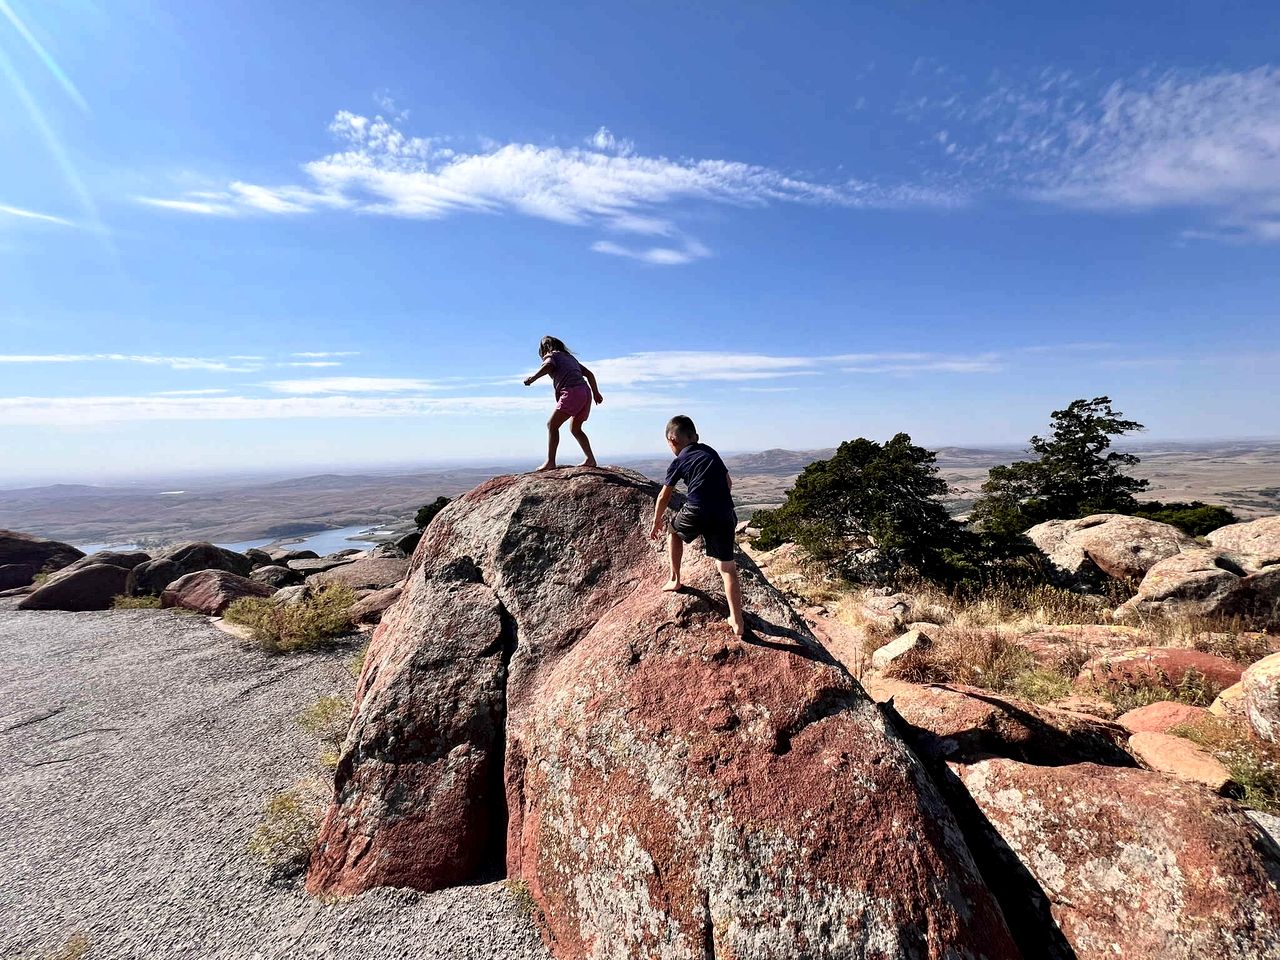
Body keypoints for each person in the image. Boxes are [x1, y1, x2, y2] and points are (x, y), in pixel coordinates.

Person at [649, 415, 746, 637]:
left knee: (673, 532)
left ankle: (675, 579)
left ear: (672, 440)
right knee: (727, 568)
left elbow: (664, 495)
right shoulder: (710, 451)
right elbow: (728, 483)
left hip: (696, 509)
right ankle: (737, 621)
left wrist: (656, 522)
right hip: (725, 512)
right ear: (696, 437)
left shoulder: (679, 460)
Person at [523, 336, 604, 471]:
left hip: (572, 392)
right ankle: (590, 459)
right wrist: (596, 392)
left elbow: (548, 366)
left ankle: (550, 462)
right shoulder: (570, 358)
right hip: (585, 392)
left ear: (545, 348)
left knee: (552, 425)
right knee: (575, 429)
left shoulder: (551, 356)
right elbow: (589, 374)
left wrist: (532, 379)